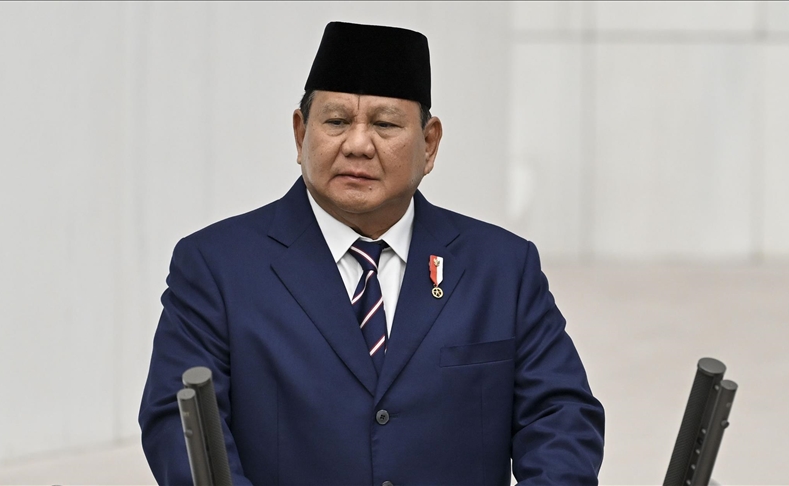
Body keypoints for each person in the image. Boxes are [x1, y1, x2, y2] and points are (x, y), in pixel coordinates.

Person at [139, 21, 604, 486]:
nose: (358, 145)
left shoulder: (501, 268)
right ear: (301, 135)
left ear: (429, 144)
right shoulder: (217, 268)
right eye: (336, 122)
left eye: (384, 125)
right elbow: (181, 429)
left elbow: (561, 416)